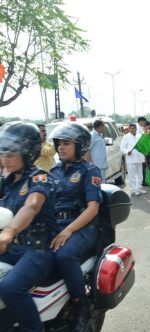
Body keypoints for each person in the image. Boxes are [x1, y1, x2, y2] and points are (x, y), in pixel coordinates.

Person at [0, 122, 58, 331]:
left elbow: (32, 206)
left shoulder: (40, 177)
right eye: (3, 151)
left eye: (11, 152)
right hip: (11, 246)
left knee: (10, 287)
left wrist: (9, 231)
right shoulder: (6, 181)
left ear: (28, 152)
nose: (5, 158)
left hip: (38, 247)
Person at [48, 122, 103, 331]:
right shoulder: (54, 171)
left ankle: (80, 304)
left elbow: (92, 209)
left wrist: (68, 230)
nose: (61, 147)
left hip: (82, 225)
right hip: (57, 223)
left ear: (79, 146)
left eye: (66, 143)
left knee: (63, 255)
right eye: (59, 143)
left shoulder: (90, 171)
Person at [120, 123, 146, 196]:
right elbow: (122, 148)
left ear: (136, 129)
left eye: (133, 128)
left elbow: (143, 146)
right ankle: (133, 190)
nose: (132, 129)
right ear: (129, 129)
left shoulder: (139, 136)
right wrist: (127, 152)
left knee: (140, 175)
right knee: (132, 175)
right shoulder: (126, 137)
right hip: (131, 159)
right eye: (131, 128)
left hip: (139, 158)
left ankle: (139, 188)